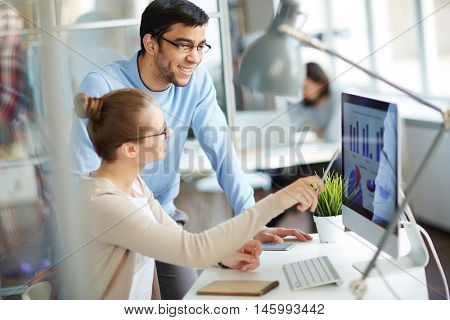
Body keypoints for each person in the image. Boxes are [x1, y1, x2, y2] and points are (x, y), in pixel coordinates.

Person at [70, 0, 311, 299]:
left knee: (189, 297)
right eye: (184, 45)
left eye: (201, 46)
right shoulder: (104, 85)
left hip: (159, 213)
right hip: (116, 220)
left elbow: (222, 153)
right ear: (151, 43)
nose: (195, 58)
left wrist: (248, 223)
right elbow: (85, 175)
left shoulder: (196, 83)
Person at [67, 88, 324, 299]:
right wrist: (281, 199)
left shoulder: (133, 184)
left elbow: (178, 239)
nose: (169, 134)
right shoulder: (103, 204)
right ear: (129, 150)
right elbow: (194, 249)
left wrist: (223, 257)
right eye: (159, 131)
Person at [288, 62, 340, 141]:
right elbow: (294, 125)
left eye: (305, 87)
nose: (302, 92)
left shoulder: (337, 97)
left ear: (320, 84)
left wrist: (321, 132)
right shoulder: (304, 102)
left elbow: (333, 136)